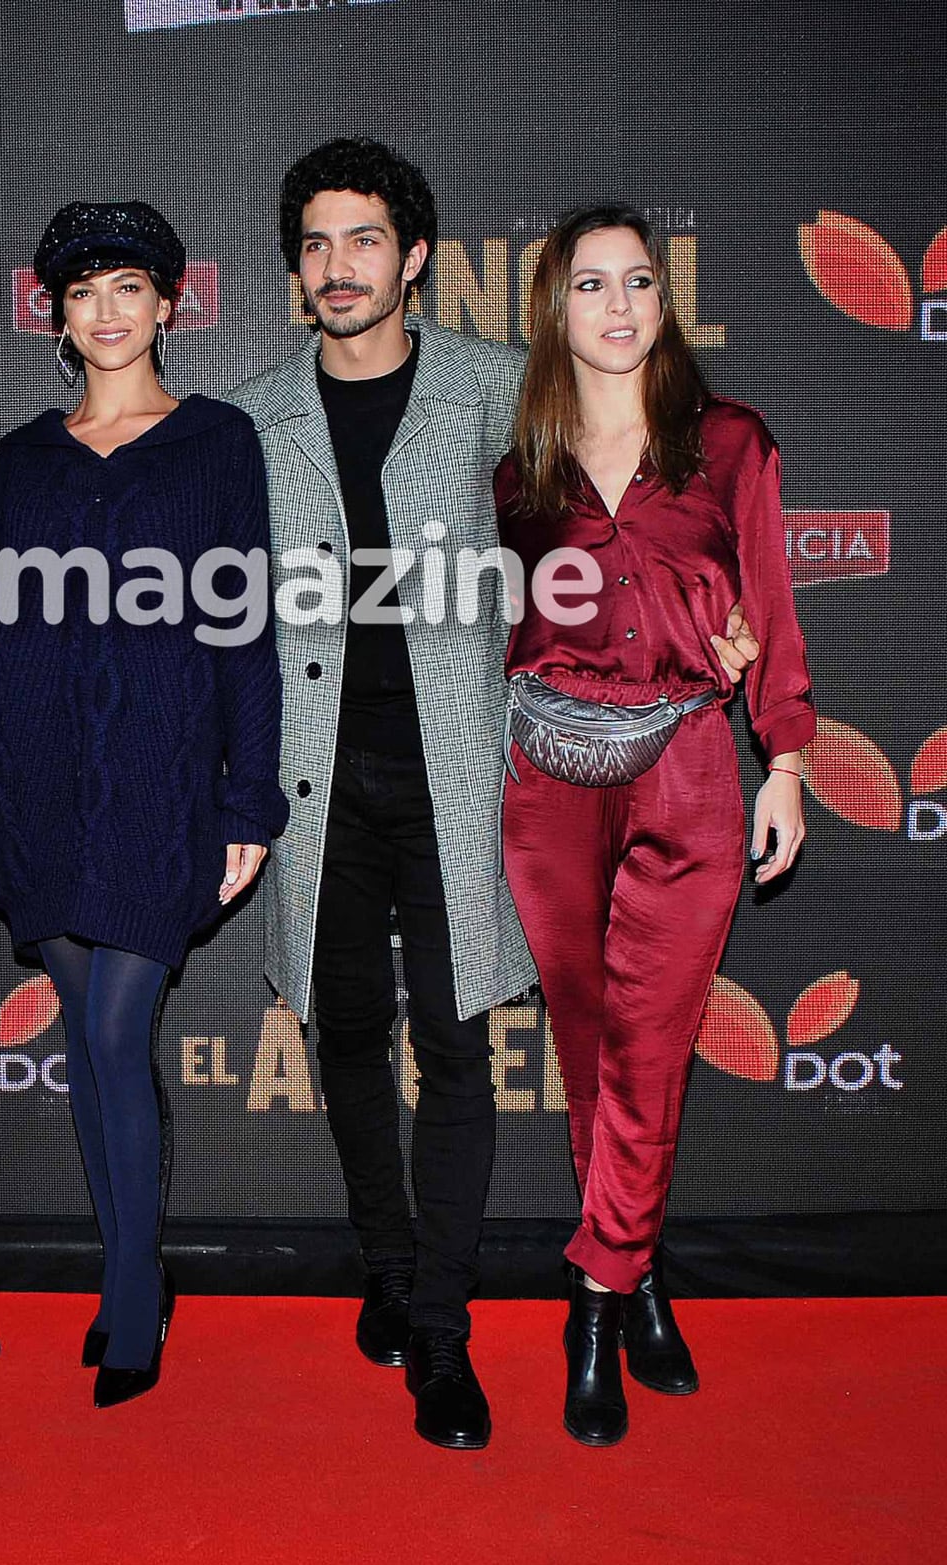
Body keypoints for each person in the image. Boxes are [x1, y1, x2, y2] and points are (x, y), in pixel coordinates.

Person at [228, 140, 759, 1451]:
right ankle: (389, 1266)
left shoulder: (495, 388)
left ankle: (443, 1336)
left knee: (457, 1047)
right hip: (319, 785)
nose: (339, 267)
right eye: (315, 243)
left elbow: (635, 507)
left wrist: (706, 630)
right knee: (346, 1033)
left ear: (414, 257)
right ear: (295, 268)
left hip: (471, 773)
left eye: (365, 241)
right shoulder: (249, 416)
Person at [497, 205, 812, 1447]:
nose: (618, 305)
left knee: (653, 1044)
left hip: (687, 764)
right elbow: (489, 624)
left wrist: (782, 752)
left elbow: (772, 609)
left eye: (639, 281)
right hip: (547, 779)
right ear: (553, 307)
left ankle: (590, 1303)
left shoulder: (728, 442)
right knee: (591, 1051)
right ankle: (640, 1270)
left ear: (664, 302)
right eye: (590, 283)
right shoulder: (516, 460)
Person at [0, 201, 288, 1409]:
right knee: (90, 1047)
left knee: (112, 1034)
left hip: (164, 788)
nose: (104, 312)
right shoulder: (22, 459)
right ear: (56, 315)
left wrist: (247, 799)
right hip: (40, 786)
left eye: (127, 288)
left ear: (169, 303)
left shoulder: (217, 443)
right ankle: (131, 1275)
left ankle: (130, 1294)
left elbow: (244, 631)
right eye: (81, 292)